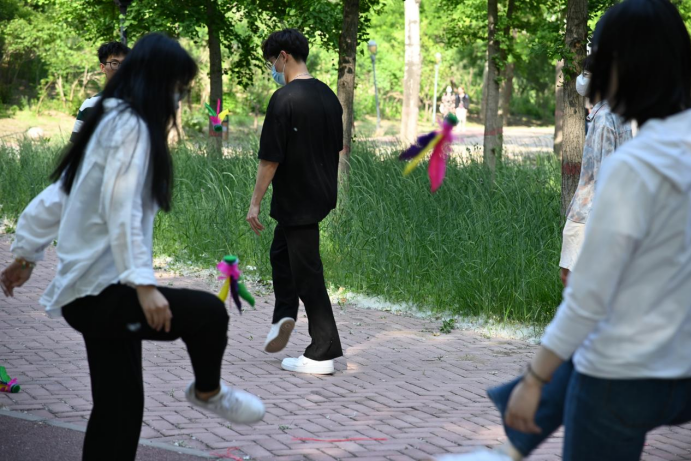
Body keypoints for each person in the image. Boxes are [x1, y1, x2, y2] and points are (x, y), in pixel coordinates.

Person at [438, 0, 691, 459]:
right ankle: (509, 449)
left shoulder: (634, 165)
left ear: (619, 68)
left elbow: (588, 297)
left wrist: (535, 378)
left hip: (625, 376)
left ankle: (511, 439)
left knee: (591, 348)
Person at [1, 33, 265, 461]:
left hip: (90, 293)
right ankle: (207, 391)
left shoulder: (111, 121)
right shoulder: (131, 128)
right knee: (208, 314)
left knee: (117, 408)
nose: (178, 98)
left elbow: (58, 195)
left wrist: (25, 256)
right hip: (102, 293)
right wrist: (144, 285)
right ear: (156, 80)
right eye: (177, 86)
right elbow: (121, 209)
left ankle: (205, 391)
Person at [246, 28, 343, 375]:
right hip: (320, 194)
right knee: (281, 254)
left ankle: (322, 351)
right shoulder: (329, 97)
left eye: (272, 62)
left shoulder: (284, 99)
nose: (272, 68)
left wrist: (255, 202)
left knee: (307, 273)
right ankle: (284, 313)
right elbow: (335, 148)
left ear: (284, 56)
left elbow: (270, 160)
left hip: (296, 199)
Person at [70, 41, 130, 143]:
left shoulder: (142, 103)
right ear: (103, 67)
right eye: (114, 63)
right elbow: (76, 146)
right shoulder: (90, 105)